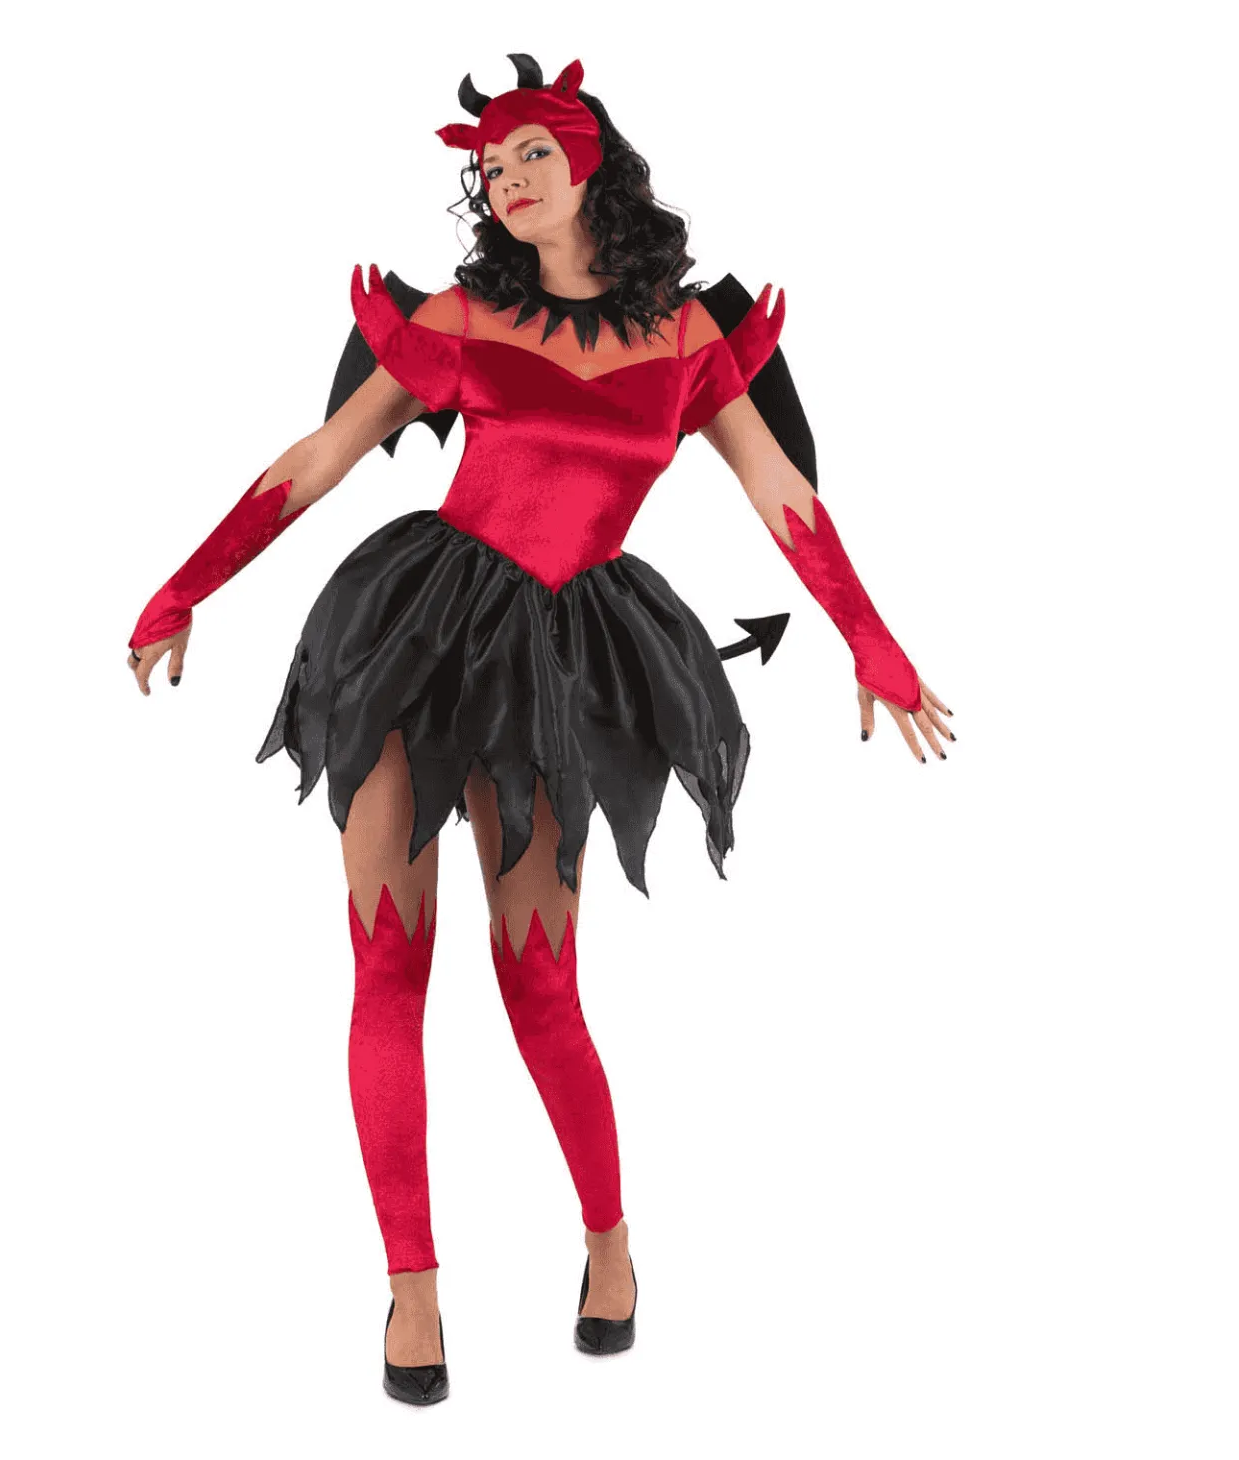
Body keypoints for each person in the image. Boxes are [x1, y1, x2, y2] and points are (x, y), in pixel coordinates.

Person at [125, 55, 954, 1406]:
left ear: (590, 164)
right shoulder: (462, 319)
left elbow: (782, 495)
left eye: (531, 155)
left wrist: (869, 635)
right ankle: (412, 1288)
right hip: (416, 640)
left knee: (542, 991)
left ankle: (610, 1241)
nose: (506, 180)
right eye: (490, 166)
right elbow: (317, 458)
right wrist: (185, 585)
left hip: (564, 669)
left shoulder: (686, 342)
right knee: (388, 968)